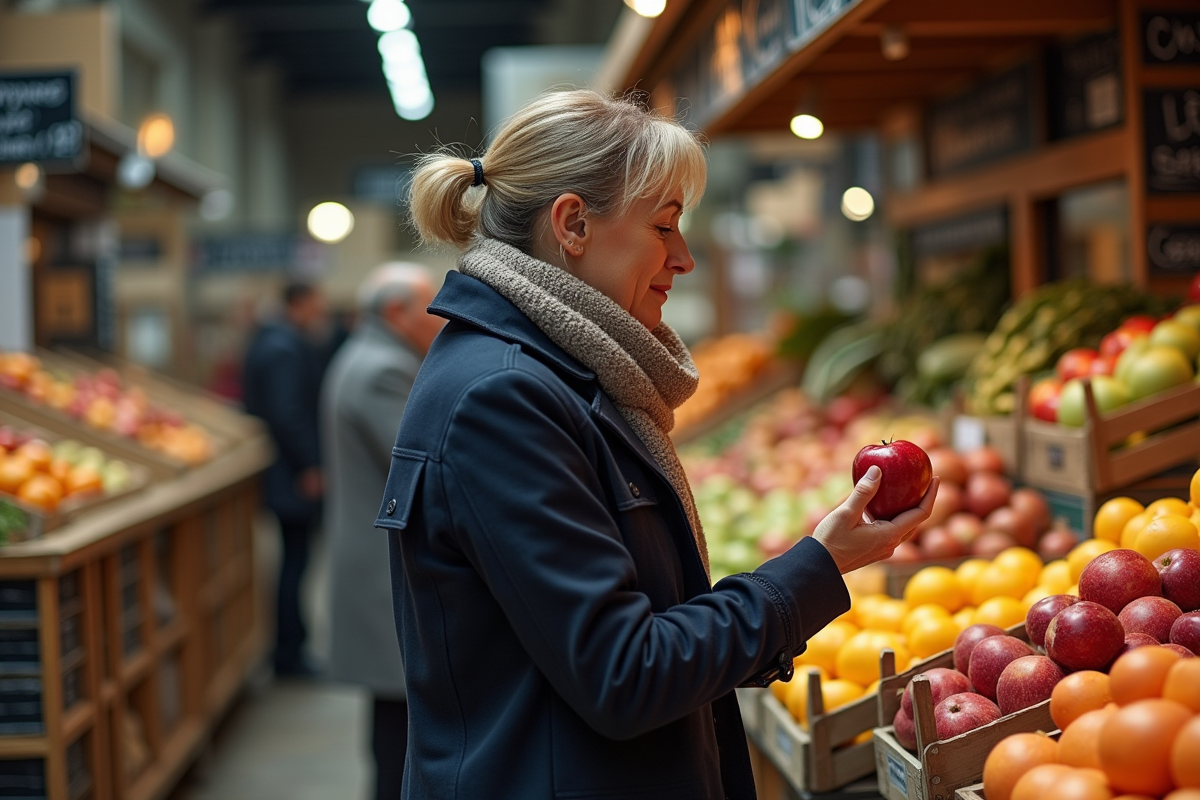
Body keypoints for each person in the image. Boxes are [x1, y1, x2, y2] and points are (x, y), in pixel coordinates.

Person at [376, 90, 939, 799]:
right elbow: (625, 672)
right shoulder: (504, 399)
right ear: (573, 224)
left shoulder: (556, 374)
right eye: (665, 227)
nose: (685, 259)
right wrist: (818, 567)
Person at [321, 264, 444, 800]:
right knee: (399, 723)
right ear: (395, 311)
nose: (439, 317)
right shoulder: (382, 370)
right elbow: (422, 463)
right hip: (382, 571)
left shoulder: (371, 357)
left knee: (395, 716)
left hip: (374, 562)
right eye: (428, 306)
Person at [242, 281, 328, 677]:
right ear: (300, 302)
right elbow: (288, 411)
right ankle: (290, 654)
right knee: (295, 564)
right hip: (290, 475)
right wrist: (310, 465)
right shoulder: (284, 347)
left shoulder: (273, 341)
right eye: (316, 303)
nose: (320, 311)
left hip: (282, 471)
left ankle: (291, 650)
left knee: (294, 562)